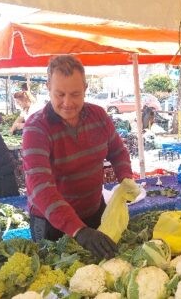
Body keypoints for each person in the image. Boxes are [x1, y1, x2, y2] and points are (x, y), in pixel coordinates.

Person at [22, 55, 136, 259]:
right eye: (60, 94)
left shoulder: (99, 116)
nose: (68, 102)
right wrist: (79, 231)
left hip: (94, 211)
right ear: (48, 87)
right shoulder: (36, 128)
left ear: (85, 87)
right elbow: (40, 186)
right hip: (51, 223)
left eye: (75, 94)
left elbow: (118, 152)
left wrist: (125, 178)